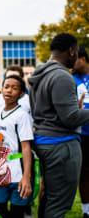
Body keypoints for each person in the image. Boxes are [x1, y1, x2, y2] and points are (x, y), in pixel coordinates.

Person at [28, 33, 89, 218]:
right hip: (61, 145)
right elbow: (70, 118)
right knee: (59, 204)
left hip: (46, 142)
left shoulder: (40, 73)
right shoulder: (62, 76)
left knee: (49, 198)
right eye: (76, 53)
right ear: (71, 51)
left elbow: (45, 110)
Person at [0, 75, 33, 218]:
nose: (9, 91)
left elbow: (26, 147)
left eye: (14, 88)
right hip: (1, 171)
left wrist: (26, 177)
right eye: (6, 86)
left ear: (21, 93)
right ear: (1, 89)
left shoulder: (22, 115)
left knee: (17, 212)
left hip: (18, 170)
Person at [72, 45, 89, 218]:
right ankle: (86, 211)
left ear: (82, 58)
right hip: (82, 133)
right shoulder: (70, 79)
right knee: (84, 173)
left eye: (74, 58)